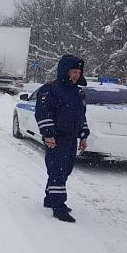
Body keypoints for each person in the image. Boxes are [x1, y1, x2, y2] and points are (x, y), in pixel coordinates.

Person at [35, 54, 90, 223]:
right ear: (64, 71)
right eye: (73, 72)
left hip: (71, 139)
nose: (76, 75)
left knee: (65, 170)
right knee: (57, 171)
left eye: (78, 73)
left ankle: (50, 198)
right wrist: (49, 134)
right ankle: (59, 207)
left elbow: (81, 116)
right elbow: (43, 113)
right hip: (56, 139)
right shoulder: (50, 89)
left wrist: (83, 136)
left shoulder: (78, 92)